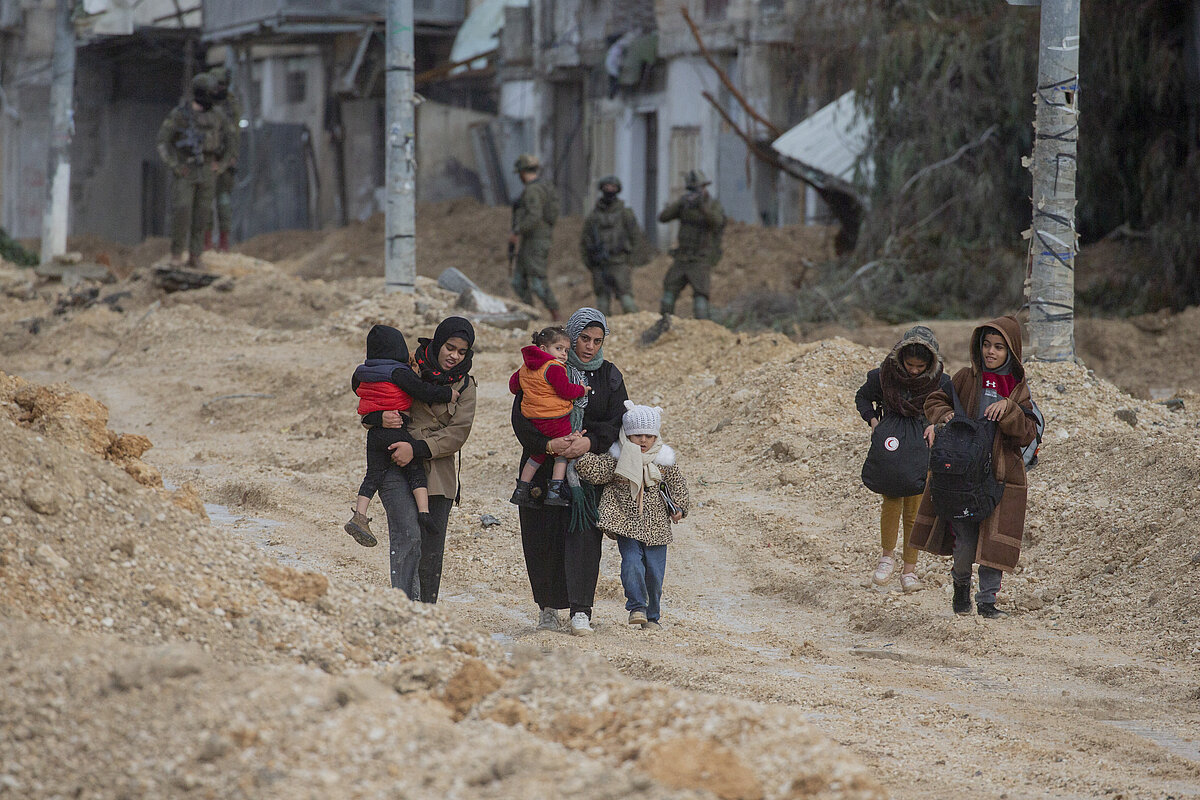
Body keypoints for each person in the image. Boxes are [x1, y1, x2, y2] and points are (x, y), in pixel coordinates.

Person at [910, 315, 1038, 619]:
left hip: (1001, 475)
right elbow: (935, 401)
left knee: (994, 540)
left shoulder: (1018, 389)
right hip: (963, 475)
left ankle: (987, 602)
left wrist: (1009, 409)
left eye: (999, 347)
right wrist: (944, 417)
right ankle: (960, 589)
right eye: (986, 345)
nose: (990, 352)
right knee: (964, 537)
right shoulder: (966, 378)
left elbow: (1028, 432)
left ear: (1012, 353)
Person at [511, 307, 628, 636]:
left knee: (583, 538)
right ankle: (546, 608)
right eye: (583, 339)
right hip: (542, 464)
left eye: (597, 340)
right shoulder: (542, 368)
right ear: (570, 337)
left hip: (585, 472)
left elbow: (618, 421)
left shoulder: (609, 375)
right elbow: (521, 417)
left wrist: (588, 443)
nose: (589, 346)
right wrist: (550, 446)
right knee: (541, 536)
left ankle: (581, 611)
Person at [372, 318, 477, 602]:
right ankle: (404, 608)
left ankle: (427, 615)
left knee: (431, 549)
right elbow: (373, 400)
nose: (454, 356)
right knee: (407, 537)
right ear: (437, 343)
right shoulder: (405, 369)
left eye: (462, 351)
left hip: (439, 474)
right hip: (395, 466)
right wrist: (377, 418)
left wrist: (416, 448)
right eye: (449, 347)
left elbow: (457, 434)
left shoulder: (466, 386)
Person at [854, 325, 953, 592]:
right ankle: (887, 557)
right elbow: (863, 397)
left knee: (915, 508)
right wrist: (874, 422)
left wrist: (937, 425)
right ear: (901, 358)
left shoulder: (941, 382)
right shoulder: (884, 376)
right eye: (909, 364)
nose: (913, 371)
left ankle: (910, 570)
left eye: (920, 367)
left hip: (922, 445)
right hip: (892, 444)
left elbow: (951, 411)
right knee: (891, 499)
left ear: (930, 364)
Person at [576, 401, 690, 632]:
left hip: (657, 526)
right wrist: (579, 455)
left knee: (655, 575)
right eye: (637, 435)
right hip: (626, 522)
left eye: (649, 436)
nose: (643, 441)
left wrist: (680, 507)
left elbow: (678, 486)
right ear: (627, 434)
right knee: (631, 565)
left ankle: (653, 617)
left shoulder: (664, 460)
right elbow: (597, 471)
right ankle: (637, 607)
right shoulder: (618, 458)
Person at [344, 324, 459, 550]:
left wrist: (376, 409)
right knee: (414, 468)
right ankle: (425, 513)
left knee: (373, 474)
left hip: (375, 435)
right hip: (397, 429)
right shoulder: (398, 372)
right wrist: (448, 393)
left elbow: (357, 390)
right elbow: (422, 391)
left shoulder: (361, 372)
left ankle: (360, 515)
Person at [156, 72, 232, 269]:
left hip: (207, 169)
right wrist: (175, 166)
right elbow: (163, 142)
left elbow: (231, 143)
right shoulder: (181, 115)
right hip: (186, 169)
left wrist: (221, 165)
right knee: (182, 210)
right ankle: (176, 254)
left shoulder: (218, 116)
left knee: (203, 215)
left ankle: (195, 255)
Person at [509, 326, 590, 508]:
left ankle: (521, 490)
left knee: (536, 455)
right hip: (555, 418)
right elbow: (565, 390)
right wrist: (582, 390)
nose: (563, 355)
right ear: (543, 349)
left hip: (534, 420)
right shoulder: (554, 367)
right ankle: (555, 491)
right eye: (559, 348)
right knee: (562, 452)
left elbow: (514, 387)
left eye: (566, 351)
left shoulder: (524, 367)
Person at [655, 169, 725, 321]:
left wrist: (703, 207)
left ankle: (702, 333)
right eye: (692, 189)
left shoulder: (712, 205)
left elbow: (717, 223)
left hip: (699, 259)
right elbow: (663, 217)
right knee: (668, 297)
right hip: (681, 258)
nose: (696, 192)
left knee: (700, 301)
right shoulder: (684, 204)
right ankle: (664, 327)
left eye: (699, 189)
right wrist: (681, 203)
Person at [581, 176, 644, 316]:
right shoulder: (594, 216)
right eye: (607, 187)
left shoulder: (625, 213)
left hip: (619, 262)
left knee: (627, 301)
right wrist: (590, 263)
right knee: (602, 303)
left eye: (613, 187)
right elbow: (585, 241)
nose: (609, 190)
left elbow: (636, 237)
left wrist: (630, 261)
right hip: (600, 264)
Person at [509, 154, 561, 320]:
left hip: (536, 242)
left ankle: (556, 316)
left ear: (523, 173)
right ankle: (530, 314)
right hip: (531, 241)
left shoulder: (533, 190)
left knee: (538, 282)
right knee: (518, 281)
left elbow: (534, 216)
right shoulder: (543, 187)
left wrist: (517, 230)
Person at [206, 66, 241, 253]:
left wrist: (229, 158)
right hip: (208, 159)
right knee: (205, 202)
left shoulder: (230, 104)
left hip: (224, 161)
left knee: (223, 201)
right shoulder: (206, 102)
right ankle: (207, 242)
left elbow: (233, 135)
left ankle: (223, 243)